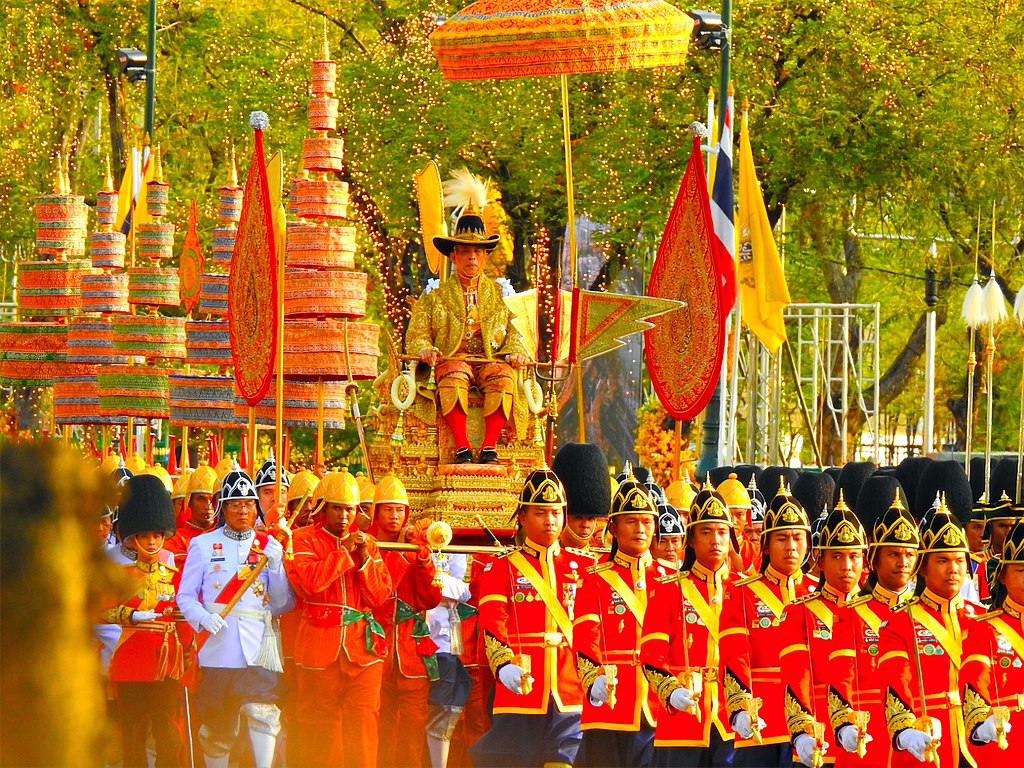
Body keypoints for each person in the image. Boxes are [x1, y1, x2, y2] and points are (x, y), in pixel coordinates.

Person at [405, 182, 530, 465]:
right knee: (454, 374)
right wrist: (425, 349)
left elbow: (517, 333)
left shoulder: (501, 294)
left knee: (503, 376)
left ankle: (489, 448)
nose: (471, 257)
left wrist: (515, 352)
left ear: (485, 256)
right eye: (464, 251)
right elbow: (417, 333)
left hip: (490, 359)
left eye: (477, 252)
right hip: (453, 358)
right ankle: (462, 447)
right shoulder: (434, 295)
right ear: (453, 255)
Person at [177, 468, 294, 768]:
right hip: (218, 646)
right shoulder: (202, 544)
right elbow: (185, 596)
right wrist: (203, 618)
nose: (243, 510)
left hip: (258, 646)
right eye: (235, 504)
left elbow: (281, 604)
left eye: (249, 503)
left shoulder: (266, 546)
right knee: (218, 722)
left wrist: (278, 564)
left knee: (264, 711)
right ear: (223, 507)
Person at [471, 469, 585, 767]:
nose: (550, 520)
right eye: (540, 513)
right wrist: (503, 663)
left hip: (569, 687)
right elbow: (492, 622)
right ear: (522, 517)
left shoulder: (584, 567)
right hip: (521, 686)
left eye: (556, 513)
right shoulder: (501, 569)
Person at [284, 470, 393, 768]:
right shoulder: (301, 539)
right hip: (319, 644)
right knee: (321, 729)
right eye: (337, 508)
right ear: (322, 507)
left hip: (364, 649)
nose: (344, 516)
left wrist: (365, 560)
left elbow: (380, 596)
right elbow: (308, 583)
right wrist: (344, 554)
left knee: (364, 724)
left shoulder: (367, 542)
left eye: (349, 509)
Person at [641, 485, 739, 767]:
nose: (716, 541)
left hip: (732, 716)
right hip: (682, 714)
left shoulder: (744, 589)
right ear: (692, 540)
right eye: (706, 532)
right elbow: (651, 653)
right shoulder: (669, 590)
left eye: (722, 532)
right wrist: (670, 690)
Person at [879, 502, 980, 768]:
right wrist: (905, 730)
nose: (954, 569)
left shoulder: (980, 618)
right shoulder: (900, 622)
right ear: (922, 568)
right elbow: (895, 681)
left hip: (978, 740)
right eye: (943, 561)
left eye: (960, 561)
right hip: (927, 740)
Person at [719, 479, 812, 767]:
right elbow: (734, 655)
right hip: (761, 720)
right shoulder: (743, 592)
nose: (792, 547)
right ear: (767, 545)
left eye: (798, 538)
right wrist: (739, 709)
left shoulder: (816, 593)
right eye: (782, 538)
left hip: (812, 725)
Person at [828, 490, 920, 767]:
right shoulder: (851, 614)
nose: (902, 562)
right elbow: (840, 675)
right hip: (866, 735)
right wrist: (844, 725)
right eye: (893, 553)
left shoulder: (924, 614)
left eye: (909, 554)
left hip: (920, 734)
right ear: (874, 561)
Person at [573, 474, 660, 767]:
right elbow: (586, 637)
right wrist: (593, 678)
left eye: (647, 521)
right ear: (613, 527)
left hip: (659, 703)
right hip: (610, 701)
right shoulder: (595, 579)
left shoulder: (670, 578)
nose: (640, 529)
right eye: (631, 521)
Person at [101, 474, 187, 768]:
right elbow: (101, 610)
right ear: (132, 535)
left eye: (157, 535)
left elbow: (179, 608)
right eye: (145, 535)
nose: (152, 541)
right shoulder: (113, 563)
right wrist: (132, 615)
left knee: (165, 725)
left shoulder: (170, 564)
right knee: (132, 728)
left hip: (165, 657)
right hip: (126, 653)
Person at [779, 496, 868, 768]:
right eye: (837, 556)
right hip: (818, 738)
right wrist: (802, 732)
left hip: (869, 738)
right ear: (819, 561)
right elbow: (796, 676)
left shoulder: (877, 612)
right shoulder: (799, 612)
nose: (847, 566)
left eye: (854, 556)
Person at [372, 473, 443, 768]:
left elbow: (431, 599)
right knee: (382, 725)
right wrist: (403, 555)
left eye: (400, 509)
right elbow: (379, 593)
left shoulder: (416, 548)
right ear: (376, 512)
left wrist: (425, 562)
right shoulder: (370, 546)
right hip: (377, 647)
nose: (395, 516)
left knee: (414, 726)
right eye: (388, 509)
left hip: (412, 652)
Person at [960, 519, 1023, 765]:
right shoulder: (984, 627)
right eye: (1021, 571)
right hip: (1001, 743)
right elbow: (975, 678)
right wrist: (980, 723)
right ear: (1003, 576)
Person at [552, 443, 610, 561]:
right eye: (578, 517)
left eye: (591, 519)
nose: (586, 525)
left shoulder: (605, 561)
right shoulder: (548, 559)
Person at [165, 462, 219, 570]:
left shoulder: (223, 533)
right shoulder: (174, 539)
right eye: (201, 499)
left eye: (211, 499)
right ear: (189, 502)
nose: (207, 506)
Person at [977, 492, 1017, 604]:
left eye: (1012, 526)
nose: (1008, 531)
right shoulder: (975, 562)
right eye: (1002, 526)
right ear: (990, 528)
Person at [649, 503, 685, 579]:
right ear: (649, 543)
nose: (670, 548)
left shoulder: (689, 572)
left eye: (675, 541)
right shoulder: (645, 575)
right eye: (662, 541)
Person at [254, 451, 289, 523]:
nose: (274, 498)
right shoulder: (247, 531)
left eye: (282, 492)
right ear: (257, 496)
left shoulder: (297, 529)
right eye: (267, 492)